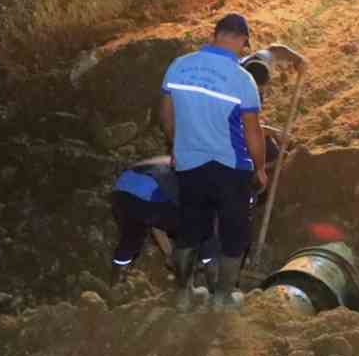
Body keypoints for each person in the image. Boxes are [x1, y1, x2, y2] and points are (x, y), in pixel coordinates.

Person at [112, 54, 290, 290]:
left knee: (132, 239)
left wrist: (168, 251)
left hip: (125, 188)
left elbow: (152, 215)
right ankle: (194, 292)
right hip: (154, 195)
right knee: (204, 238)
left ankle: (116, 280)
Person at [159, 13, 267, 311]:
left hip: (190, 165)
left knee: (189, 232)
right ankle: (221, 298)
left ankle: (182, 294)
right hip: (231, 169)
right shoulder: (242, 80)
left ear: (215, 34)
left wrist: (177, 144)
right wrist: (259, 167)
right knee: (234, 236)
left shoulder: (179, 66)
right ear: (242, 42)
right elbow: (253, 132)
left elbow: (166, 115)